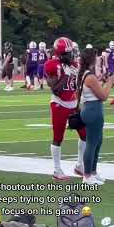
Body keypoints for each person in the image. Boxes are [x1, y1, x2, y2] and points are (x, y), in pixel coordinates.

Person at [44, 37, 87, 181]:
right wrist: (65, 75)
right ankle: (57, 170)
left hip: (73, 104)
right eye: (69, 53)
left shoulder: (74, 64)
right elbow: (55, 89)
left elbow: (75, 86)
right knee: (58, 137)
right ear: (61, 53)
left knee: (85, 135)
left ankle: (80, 165)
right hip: (59, 104)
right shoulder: (52, 64)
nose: (72, 55)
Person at [78, 48, 114, 185]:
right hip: (93, 110)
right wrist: (110, 82)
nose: (98, 58)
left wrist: (104, 81)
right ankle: (87, 175)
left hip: (92, 109)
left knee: (97, 142)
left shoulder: (87, 75)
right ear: (91, 59)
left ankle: (92, 172)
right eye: (96, 56)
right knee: (92, 143)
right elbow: (103, 96)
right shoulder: (90, 77)